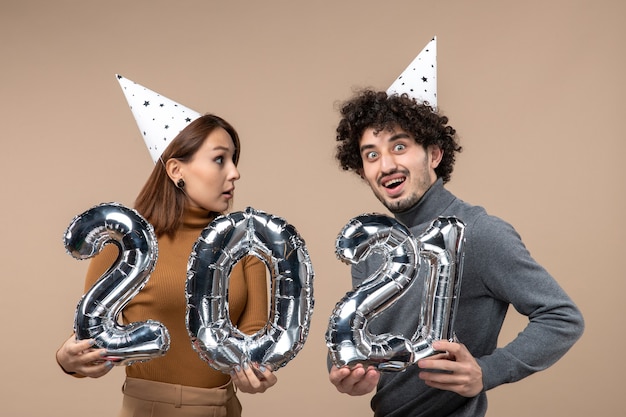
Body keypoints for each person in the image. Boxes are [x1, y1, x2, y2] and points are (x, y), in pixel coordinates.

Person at [327, 89, 584, 416]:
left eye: (400, 147)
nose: (387, 164)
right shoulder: (372, 247)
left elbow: (562, 316)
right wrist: (347, 368)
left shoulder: (479, 232)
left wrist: (489, 371)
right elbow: (360, 331)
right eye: (372, 155)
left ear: (433, 154)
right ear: (363, 171)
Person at [56, 113, 277, 417]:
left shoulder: (244, 246)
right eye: (220, 160)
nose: (235, 173)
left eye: (234, 160)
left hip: (224, 408)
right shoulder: (125, 245)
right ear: (176, 170)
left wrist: (256, 372)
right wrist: (67, 361)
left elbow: (253, 337)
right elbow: (92, 337)